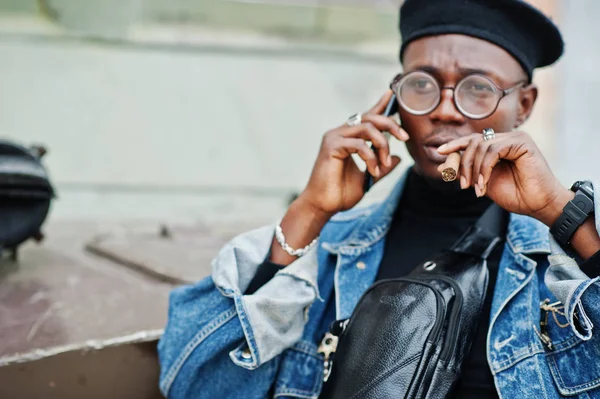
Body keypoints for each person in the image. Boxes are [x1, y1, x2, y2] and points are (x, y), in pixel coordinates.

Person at [157, 0, 600, 398]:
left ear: (524, 105)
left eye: (478, 87)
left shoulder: (566, 264)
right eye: (422, 84)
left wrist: (562, 213)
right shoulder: (328, 255)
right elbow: (195, 385)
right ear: (392, 101)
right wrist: (311, 210)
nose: (445, 109)